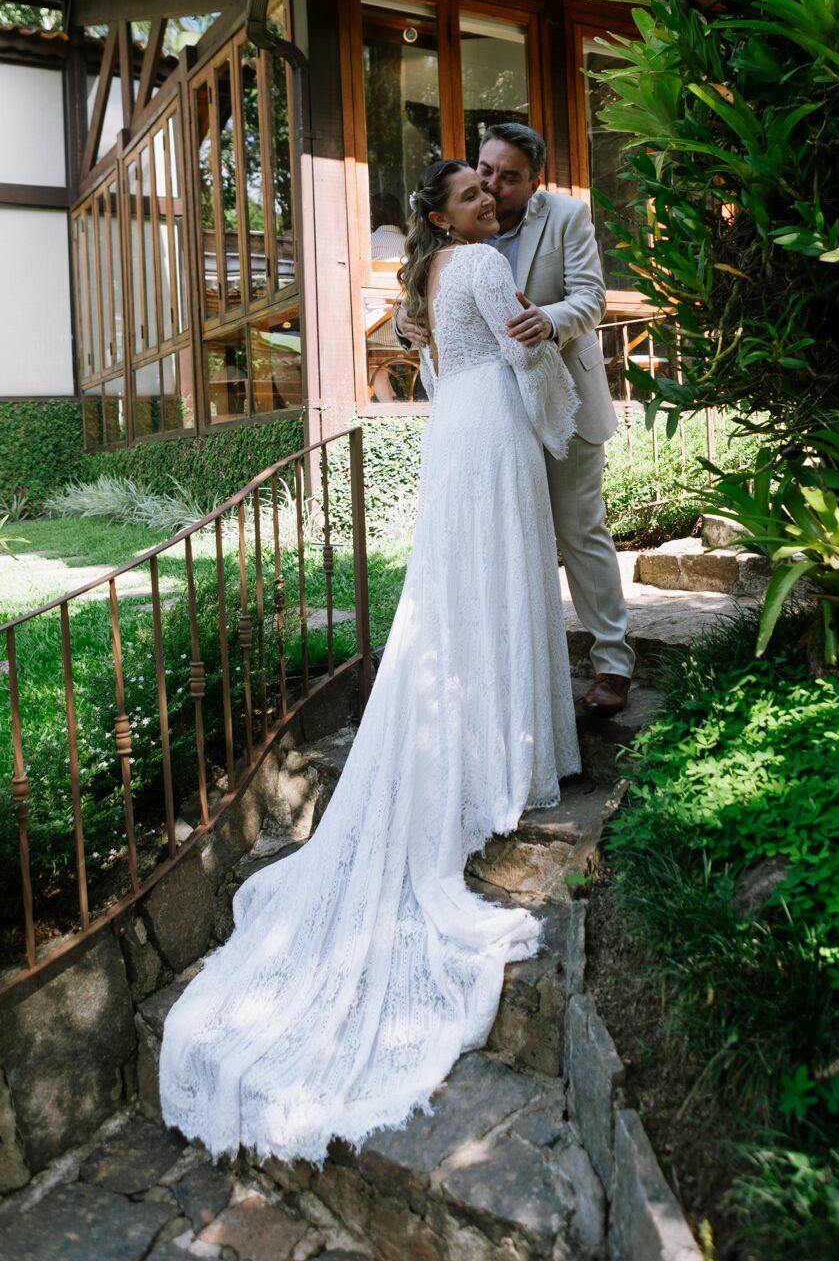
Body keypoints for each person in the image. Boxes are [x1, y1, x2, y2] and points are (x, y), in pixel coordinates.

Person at [159, 160, 581, 1166]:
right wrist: (561, 413)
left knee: (461, 594)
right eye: (471, 192)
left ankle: (495, 743)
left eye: (490, 186)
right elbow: (527, 356)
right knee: (502, 585)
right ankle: (509, 762)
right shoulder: (480, 261)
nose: (487, 198)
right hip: (495, 434)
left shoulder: (433, 274)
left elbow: (434, 368)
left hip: (454, 434)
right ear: (441, 215)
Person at [397, 123, 635, 715]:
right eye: (485, 172)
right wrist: (408, 326)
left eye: (508, 178)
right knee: (502, 541)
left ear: (535, 179)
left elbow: (591, 298)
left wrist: (548, 321)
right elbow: (422, 307)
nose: (493, 187)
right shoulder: (458, 231)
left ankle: (612, 662)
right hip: (491, 416)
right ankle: (510, 669)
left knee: (579, 529)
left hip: (564, 396)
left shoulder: (568, 216)